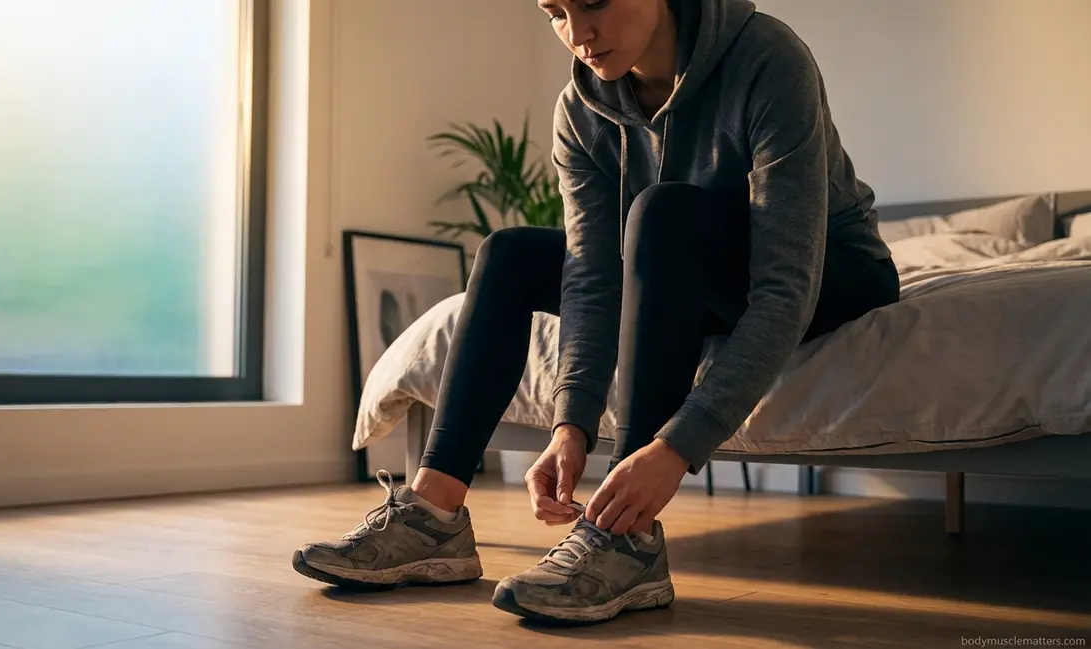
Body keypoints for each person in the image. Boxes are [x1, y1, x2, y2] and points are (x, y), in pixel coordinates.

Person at [292, 0, 899, 624]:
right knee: (509, 254)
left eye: (593, 2)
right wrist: (570, 424)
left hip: (832, 271)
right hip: (685, 274)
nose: (577, 34)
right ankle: (435, 513)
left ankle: (625, 537)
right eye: (554, 12)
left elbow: (784, 285)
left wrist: (674, 448)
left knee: (662, 214)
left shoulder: (768, 58)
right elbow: (592, 277)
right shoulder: (580, 112)